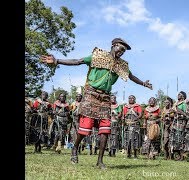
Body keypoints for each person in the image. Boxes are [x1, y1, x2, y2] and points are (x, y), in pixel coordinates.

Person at [40, 37, 152, 169]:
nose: (122, 52)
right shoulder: (98, 56)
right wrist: (57, 61)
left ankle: (100, 161)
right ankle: (75, 148)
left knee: (105, 130)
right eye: (120, 49)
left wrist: (143, 83)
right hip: (91, 95)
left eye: (124, 51)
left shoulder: (121, 65)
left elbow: (131, 77)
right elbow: (78, 61)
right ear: (113, 45)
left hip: (105, 98)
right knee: (85, 129)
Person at [122, 95, 143, 159]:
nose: (131, 99)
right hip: (127, 125)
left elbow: (140, 114)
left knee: (135, 139)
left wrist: (136, 118)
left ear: (135, 99)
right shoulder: (125, 107)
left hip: (135, 125)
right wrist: (123, 119)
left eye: (132, 98)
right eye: (130, 98)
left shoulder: (137, 106)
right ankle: (128, 154)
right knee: (127, 139)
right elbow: (124, 115)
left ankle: (135, 155)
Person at [169, 91, 188, 161]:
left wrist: (178, 111)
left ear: (183, 96)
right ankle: (176, 155)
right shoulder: (175, 104)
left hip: (181, 122)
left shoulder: (184, 103)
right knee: (174, 138)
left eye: (180, 95)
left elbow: (185, 113)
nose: (178, 95)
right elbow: (172, 113)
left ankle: (182, 155)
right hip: (175, 122)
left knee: (180, 138)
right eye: (178, 94)